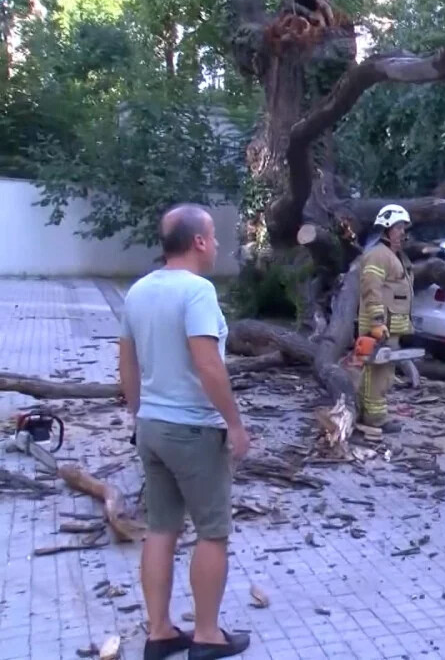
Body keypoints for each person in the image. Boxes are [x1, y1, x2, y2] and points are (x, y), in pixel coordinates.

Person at [119, 204, 251, 660]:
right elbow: (208, 362)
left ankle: (159, 633)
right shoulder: (198, 292)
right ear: (198, 242)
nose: (217, 245)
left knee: (161, 529)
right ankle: (208, 635)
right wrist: (234, 423)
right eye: (213, 237)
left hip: (152, 426)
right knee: (212, 532)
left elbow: (127, 364)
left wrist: (139, 415)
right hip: (193, 429)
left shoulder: (139, 290)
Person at [354, 204, 415, 435]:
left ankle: (370, 414)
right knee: (375, 373)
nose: (402, 232)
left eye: (403, 228)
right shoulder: (378, 255)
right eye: (398, 227)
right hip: (378, 328)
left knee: (384, 373)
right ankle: (374, 419)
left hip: (390, 329)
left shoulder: (393, 256)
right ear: (386, 229)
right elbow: (372, 290)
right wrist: (377, 323)